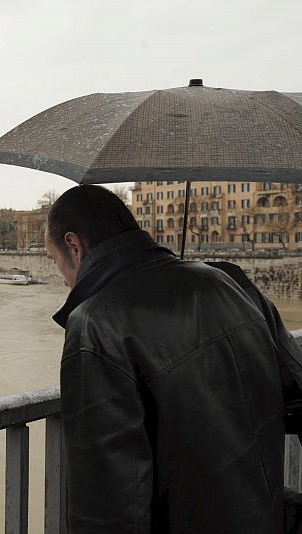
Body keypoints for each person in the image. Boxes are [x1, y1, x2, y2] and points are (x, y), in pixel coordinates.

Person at [44, 184, 291, 533]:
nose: (64, 279)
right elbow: (294, 389)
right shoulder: (229, 280)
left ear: (74, 245)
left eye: (54, 260)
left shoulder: (97, 324)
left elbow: (109, 503)